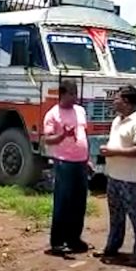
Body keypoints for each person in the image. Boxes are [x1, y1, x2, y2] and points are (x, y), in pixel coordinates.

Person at [96, 85, 136, 269]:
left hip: (131, 179)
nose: (114, 101)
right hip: (114, 177)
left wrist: (113, 151)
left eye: (117, 98)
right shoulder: (118, 121)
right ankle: (113, 247)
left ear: (126, 101)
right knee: (116, 216)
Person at [43, 80, 90, 256]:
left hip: (81, 162)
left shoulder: (80, 111)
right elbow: (47, 140)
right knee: (63, 202)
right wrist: (62, 136)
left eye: (76, 93)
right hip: (64, 162)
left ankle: (74, 238)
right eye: (71, 93)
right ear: (62, 94)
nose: (74, 97)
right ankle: (57, 242)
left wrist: (88, 158)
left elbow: (84, 134)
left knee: (79, 203)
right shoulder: (53, 114)